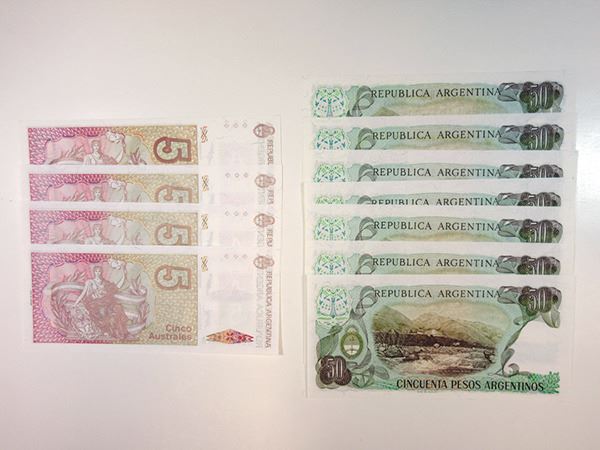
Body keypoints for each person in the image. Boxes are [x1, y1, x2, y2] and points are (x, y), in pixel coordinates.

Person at [73, 265, 129, 339]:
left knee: (117, 308)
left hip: (105, 302)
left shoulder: (105, 283)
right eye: (96, 271)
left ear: (101, 272)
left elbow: (117, 287)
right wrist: (76, 303)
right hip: (94, 303)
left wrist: (124, 276)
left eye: (99, 271)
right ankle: (105, 331)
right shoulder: (90, 282)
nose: (98, 273)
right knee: (102, 311)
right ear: (94, 272)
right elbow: (83, 293)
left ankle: (113, 331)